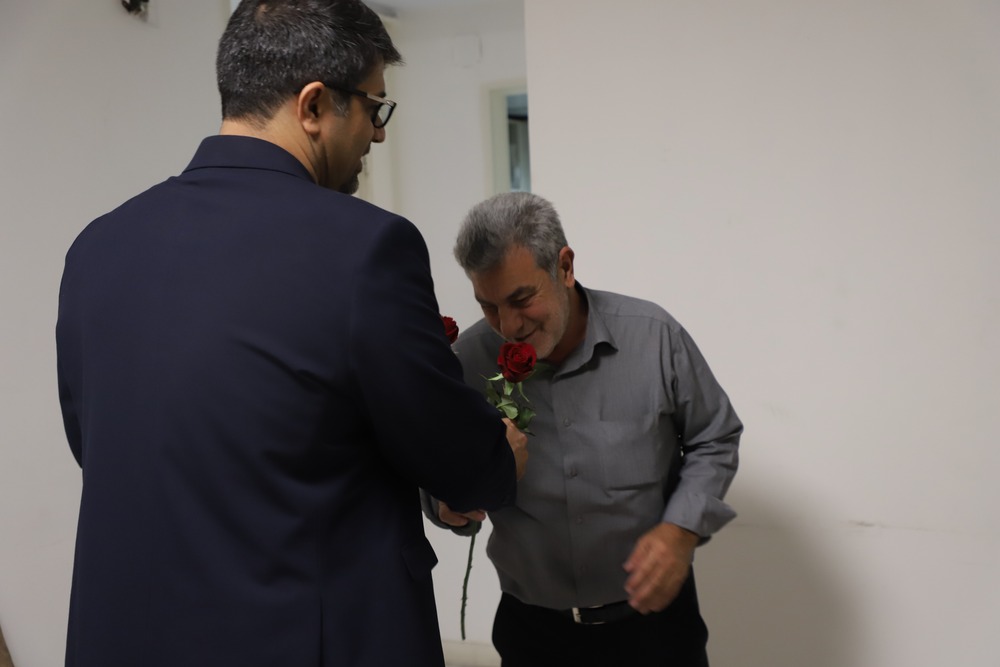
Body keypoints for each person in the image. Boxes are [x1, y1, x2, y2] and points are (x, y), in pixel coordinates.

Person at [55, 2, 526, 666]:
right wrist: (498, 457)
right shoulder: (366, 247)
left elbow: (99, 444)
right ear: (314, 105)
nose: (377, 134)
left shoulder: (97, 248)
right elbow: (457, 460)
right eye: (373, 107)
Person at [423, 192, 742, 667]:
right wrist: (447, 502)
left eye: (521, 299)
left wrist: (681, 529)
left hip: (656, 628)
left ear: (565, 267)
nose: (507, 326)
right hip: (534, 634)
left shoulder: (655, 337)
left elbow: (714, 437)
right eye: (488, 306)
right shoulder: (467, 361)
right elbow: (438, 475)